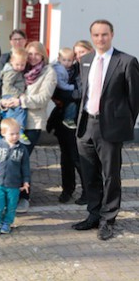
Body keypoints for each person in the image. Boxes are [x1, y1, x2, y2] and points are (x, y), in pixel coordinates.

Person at [73, 20, 139, 241]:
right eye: (96, 35)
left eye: (104, 35)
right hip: (86, 125)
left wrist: (124, 124)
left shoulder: (126, 61)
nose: (100, 39)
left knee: (110, 175)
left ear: (112, 35)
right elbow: (84, 92)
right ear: (91, 36)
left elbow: (134, 99)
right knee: (89, 173)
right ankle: (93, 214)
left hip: (110, 128)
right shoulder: (85, 60)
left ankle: (108, 219)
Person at [0, 41, 57, 213]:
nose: (32, 57)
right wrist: (3, 102)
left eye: (36, 54)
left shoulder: (48, 72)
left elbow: (43, 98)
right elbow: (7, 88)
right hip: (13, 121)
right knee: (11, 159)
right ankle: (10, 195)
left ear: (42, 55)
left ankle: (24, 197)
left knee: (20, 159)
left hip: (32, 123)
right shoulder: (22, 69)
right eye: (29, 53)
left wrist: (20, 101)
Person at [49, 40, 93, 205]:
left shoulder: (93, 69)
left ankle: (88, 192)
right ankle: (67, 190)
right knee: (66, 157)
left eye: (83, 52)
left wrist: (66, 95)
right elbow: (58, 91)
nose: (79, 56)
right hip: (63, 120)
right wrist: (63, 95)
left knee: (78, 157)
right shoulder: (70, 68)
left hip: (80, 121)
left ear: (90, 51)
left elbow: (81, 94)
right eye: (77, 53)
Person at [0, 118, 31, 235]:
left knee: (11, 206)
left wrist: (26, 181)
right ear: (3, 133)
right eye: (12, 134)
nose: (15, 136)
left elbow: (25, 167)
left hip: (14, 184)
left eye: (17, 133)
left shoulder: (22, 149)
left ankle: (7, 223)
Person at [0, 47, 28, 136]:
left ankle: (14, 131)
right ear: (11, 62)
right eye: (17, 64)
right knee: (20, 110)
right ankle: (20, 131)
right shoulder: (12, 72)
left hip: (11, 94)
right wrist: (20, 94)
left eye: (22, 65)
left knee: (16, 112)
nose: (20, 67)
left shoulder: (16, 71)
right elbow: (8, 85)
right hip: (10, 95)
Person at [51, 48, 79, 129]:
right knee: (72, 100)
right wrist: (72, 87)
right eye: (64, 60)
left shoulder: (71, 68)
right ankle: (68, 118)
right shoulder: (58, 69)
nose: (66, 63)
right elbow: (60, 84)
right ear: (59, 59)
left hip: (64, 89)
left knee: (70, 102)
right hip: (58, 90)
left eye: (69, 60)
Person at [0, 30, 28, 97]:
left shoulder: (30, 57)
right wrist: (1, 98)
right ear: (10, 42)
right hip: (9, 96)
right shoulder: (5, 57)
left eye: (20, 39)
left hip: (26, 97)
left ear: (25, 40)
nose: (18, 41)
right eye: (15, 39)